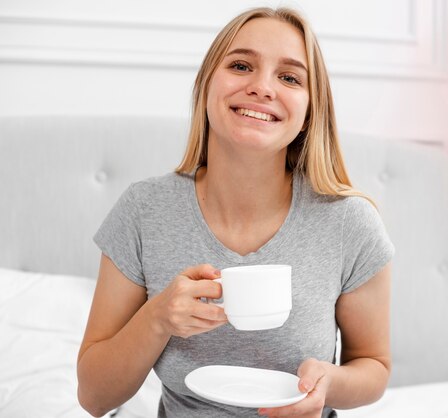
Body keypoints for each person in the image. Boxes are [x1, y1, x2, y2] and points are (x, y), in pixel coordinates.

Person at [77, 7, 394, 418]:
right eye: (241, 65)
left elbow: (374, 367)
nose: (262, 88)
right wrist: (157, 319)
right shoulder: (143, 211)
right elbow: (94, 397)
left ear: (309, 112)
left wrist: (329, 384)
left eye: (290, 77)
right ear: (206, 85)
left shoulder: (350, 223)